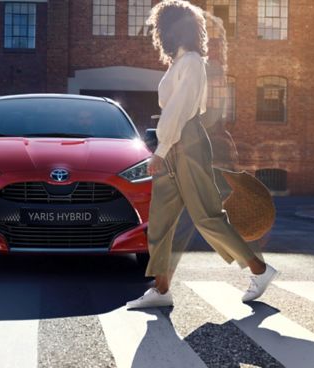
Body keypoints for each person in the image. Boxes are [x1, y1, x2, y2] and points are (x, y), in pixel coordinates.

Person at [126, 0, 278, 309]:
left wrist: (162, 150)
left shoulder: (192, 61)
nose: (157, 33)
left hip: (187, 141)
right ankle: (162, 289)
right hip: (172, 143)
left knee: (207, 216)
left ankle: (259, 270)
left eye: (160, 27)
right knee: (160, 221)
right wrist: (164, 148)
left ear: (172, 29)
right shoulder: (179, 62)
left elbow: (181, 110)